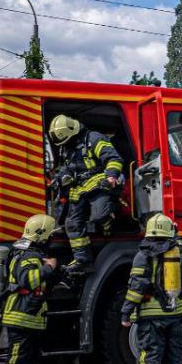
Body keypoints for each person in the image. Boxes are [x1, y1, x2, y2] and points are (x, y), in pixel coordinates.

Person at [0, 215, 58, 364]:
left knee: (30, 361)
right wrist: (48, 268)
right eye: (50, 234)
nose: (52, 238)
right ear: (42, 234)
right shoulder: (26, 255)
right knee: (16, 362)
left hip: (30, 316)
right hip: (20, 316)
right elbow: (27, 280)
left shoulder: (33, 253)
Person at [121, 214, 182, 364]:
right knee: (173, 358)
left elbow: (137, 286)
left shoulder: (144, 255)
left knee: (150, 357)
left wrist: (126, 312)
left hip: (151, 315)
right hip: (174, 312)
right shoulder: (179, 251)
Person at [48, 114, 123, 273]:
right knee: (72, 224)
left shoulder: (93, 138)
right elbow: (67, 167)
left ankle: (110, 223)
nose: (64, 144)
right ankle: (83, 261)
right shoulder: (68, 146)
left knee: (99, 215)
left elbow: (113, 158)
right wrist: (59, 178)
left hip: (98, 183)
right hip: (78, 188)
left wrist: (111, 176)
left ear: (72, 132)